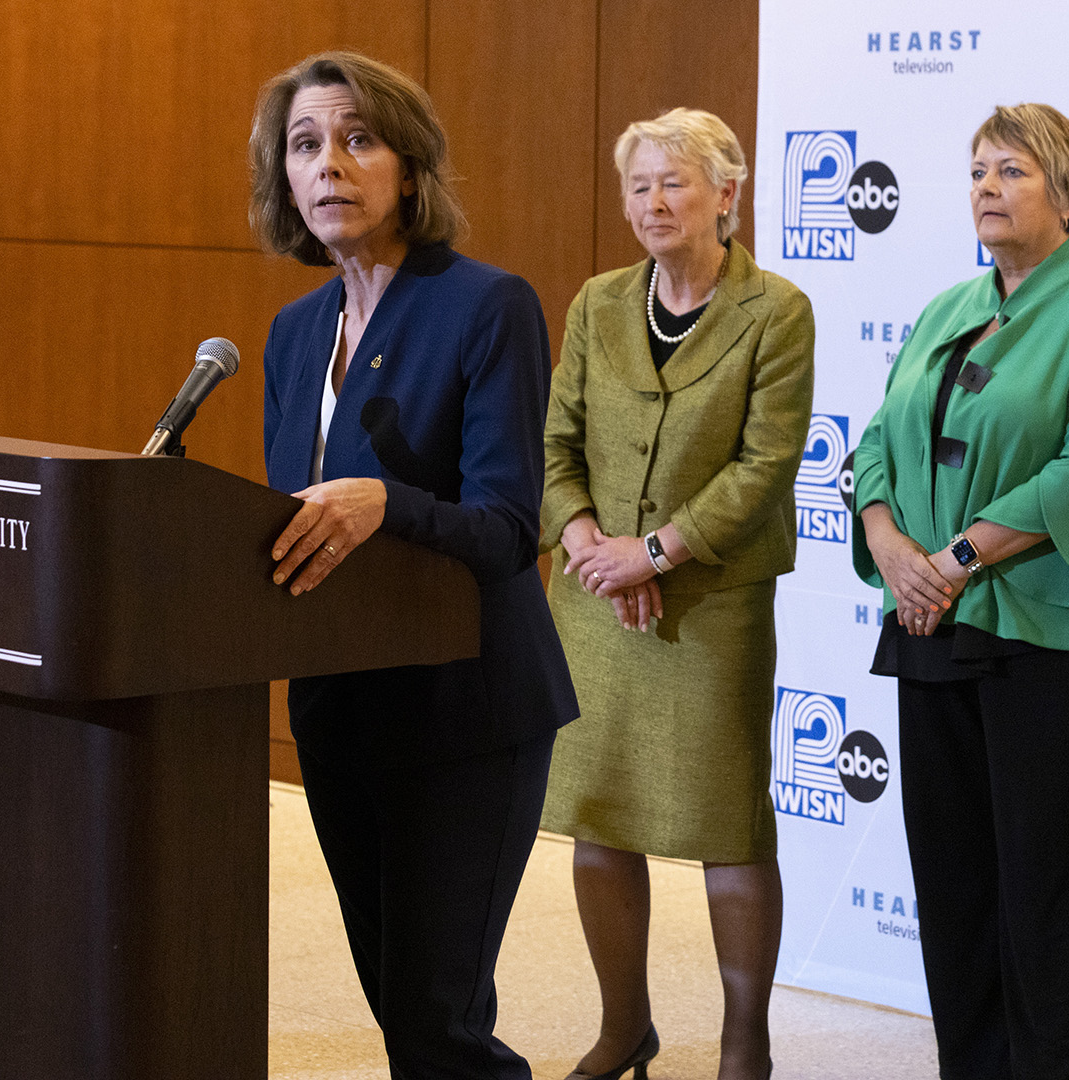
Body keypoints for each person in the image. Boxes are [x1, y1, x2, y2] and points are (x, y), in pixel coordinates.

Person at [251, 51, 577, 1078]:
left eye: (358, 139)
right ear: (285, 180)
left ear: (409, 168)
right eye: (306, 145)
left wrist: (388, 503)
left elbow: (506, 526)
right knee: (400, 1009)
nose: (330, 165)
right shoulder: (293, 333)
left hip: (465, 709)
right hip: (341, 707)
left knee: (438, 1020)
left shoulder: (487, 306)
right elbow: (295, 523)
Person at [850, 103, 1069, 1080]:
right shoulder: (946, 309)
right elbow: (874, 448)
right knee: (955, 899)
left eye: (1012, 170)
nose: (986, 186)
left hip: (1050, 643)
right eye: (978, 170)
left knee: (1050, 909)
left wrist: (951, 563)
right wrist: (892, 545)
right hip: (931, 629)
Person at [540, 107, 813, 1080]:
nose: (652, 203)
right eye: (638, 185)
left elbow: (767, 464)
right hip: (590, 595)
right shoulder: (597, 302)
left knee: (728, 822)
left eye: (674, 183)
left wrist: (651, 555)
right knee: (599, 812)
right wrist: (585, 542)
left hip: (711, 600)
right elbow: (555, 444)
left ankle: (746, 1043)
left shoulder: (775, 309)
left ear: (726, 196)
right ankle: (626, 1029)